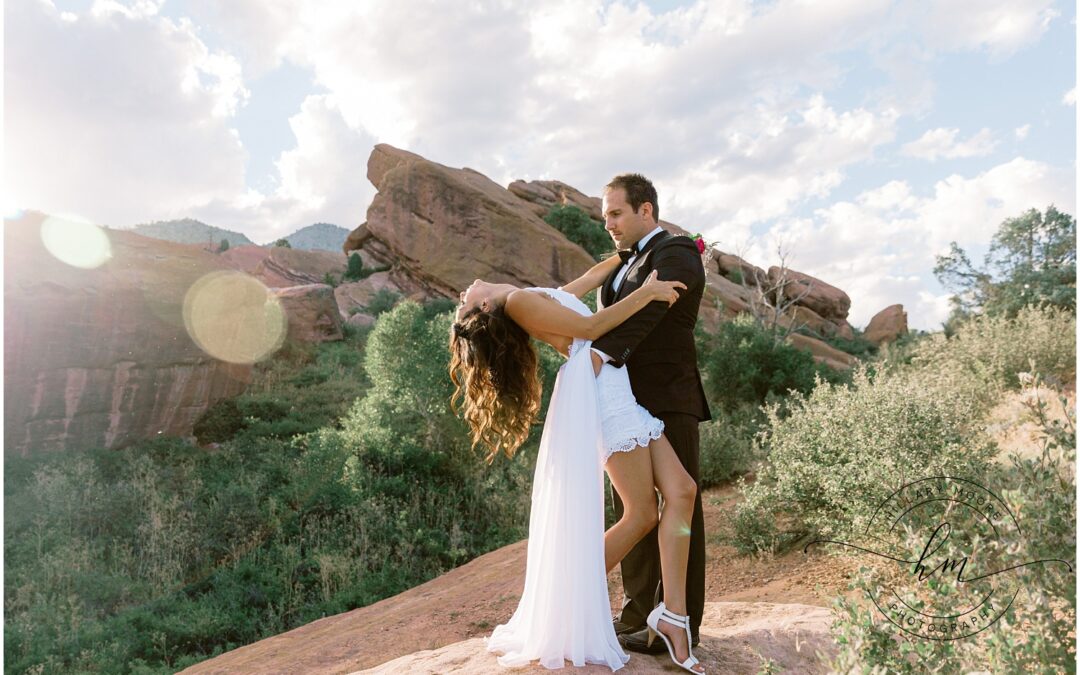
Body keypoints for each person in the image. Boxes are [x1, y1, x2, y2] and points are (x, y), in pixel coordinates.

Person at [448, 181, 706, 672]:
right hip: (601, 384)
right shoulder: (518, 304)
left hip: (612, 383)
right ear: (484, 310)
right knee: (640, 514)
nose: (462, 295)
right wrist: (649, 290)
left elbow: (587, 282)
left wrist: (648, 256)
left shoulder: (528, 297)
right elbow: (589, 329)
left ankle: (672, 615)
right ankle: (566, 597)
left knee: (683, 491)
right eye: (464, 304)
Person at [590, 174, 711, 661]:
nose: (610, 226)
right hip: (626, 399)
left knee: (682, 508)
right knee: (633, 511)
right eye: (605, 219)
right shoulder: (622, 264)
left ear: (646, 209)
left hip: (668, 396)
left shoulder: (677, 251)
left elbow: (656, 310)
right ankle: (638, 615)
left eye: (616, 214)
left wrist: (602, 356)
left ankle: (682, 622)